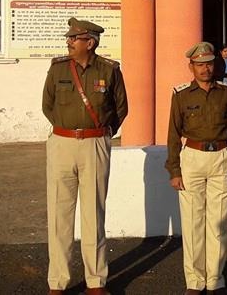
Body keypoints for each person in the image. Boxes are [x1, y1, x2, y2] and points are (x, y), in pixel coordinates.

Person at [42, 18, 128, 295]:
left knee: (93, 214)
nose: (68, 42)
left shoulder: (109, 70)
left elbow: (121, 108)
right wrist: (68, 128)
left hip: (94, 145)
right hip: (62, 143)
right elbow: (47, 105)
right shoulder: (58, 69)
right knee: (60, 215)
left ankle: (95, 281)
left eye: (74, 38)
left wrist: (101, 133)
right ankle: (58, 282)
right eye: (69, 38)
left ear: (89, 43)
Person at [166, 42, 227, 295]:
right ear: (191, 67)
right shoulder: (181, 95)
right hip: (192, 158)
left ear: (214, 65)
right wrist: (174, 170)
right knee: (192, 223)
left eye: (208, 64)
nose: (205, 69)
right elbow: (173, 134)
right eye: (199, 65)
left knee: (218, 222)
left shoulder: (226, 92)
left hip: (221, 157)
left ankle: (215, 280)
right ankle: (195, 281)